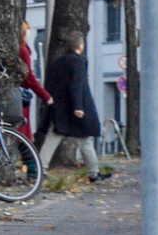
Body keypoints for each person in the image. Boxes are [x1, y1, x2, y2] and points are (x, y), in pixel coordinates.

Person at [39, 26, 108, 180]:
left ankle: (41, 169)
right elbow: (77, 85)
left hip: (59, 107)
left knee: (53, 136)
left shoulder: (56, 62)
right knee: (84, 140)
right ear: (80, 46)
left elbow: (50, 84)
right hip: (75, 108)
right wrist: (78, 106)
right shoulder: (78, 62)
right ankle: (93, 173)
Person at [15, 20, 46, 141]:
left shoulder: (22, 49)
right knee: (23, 136)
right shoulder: (23, 50)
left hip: (19, 95)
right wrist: (45, 96)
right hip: (21, 97)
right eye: (28, 29)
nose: (29, 32)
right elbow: (29, 77)